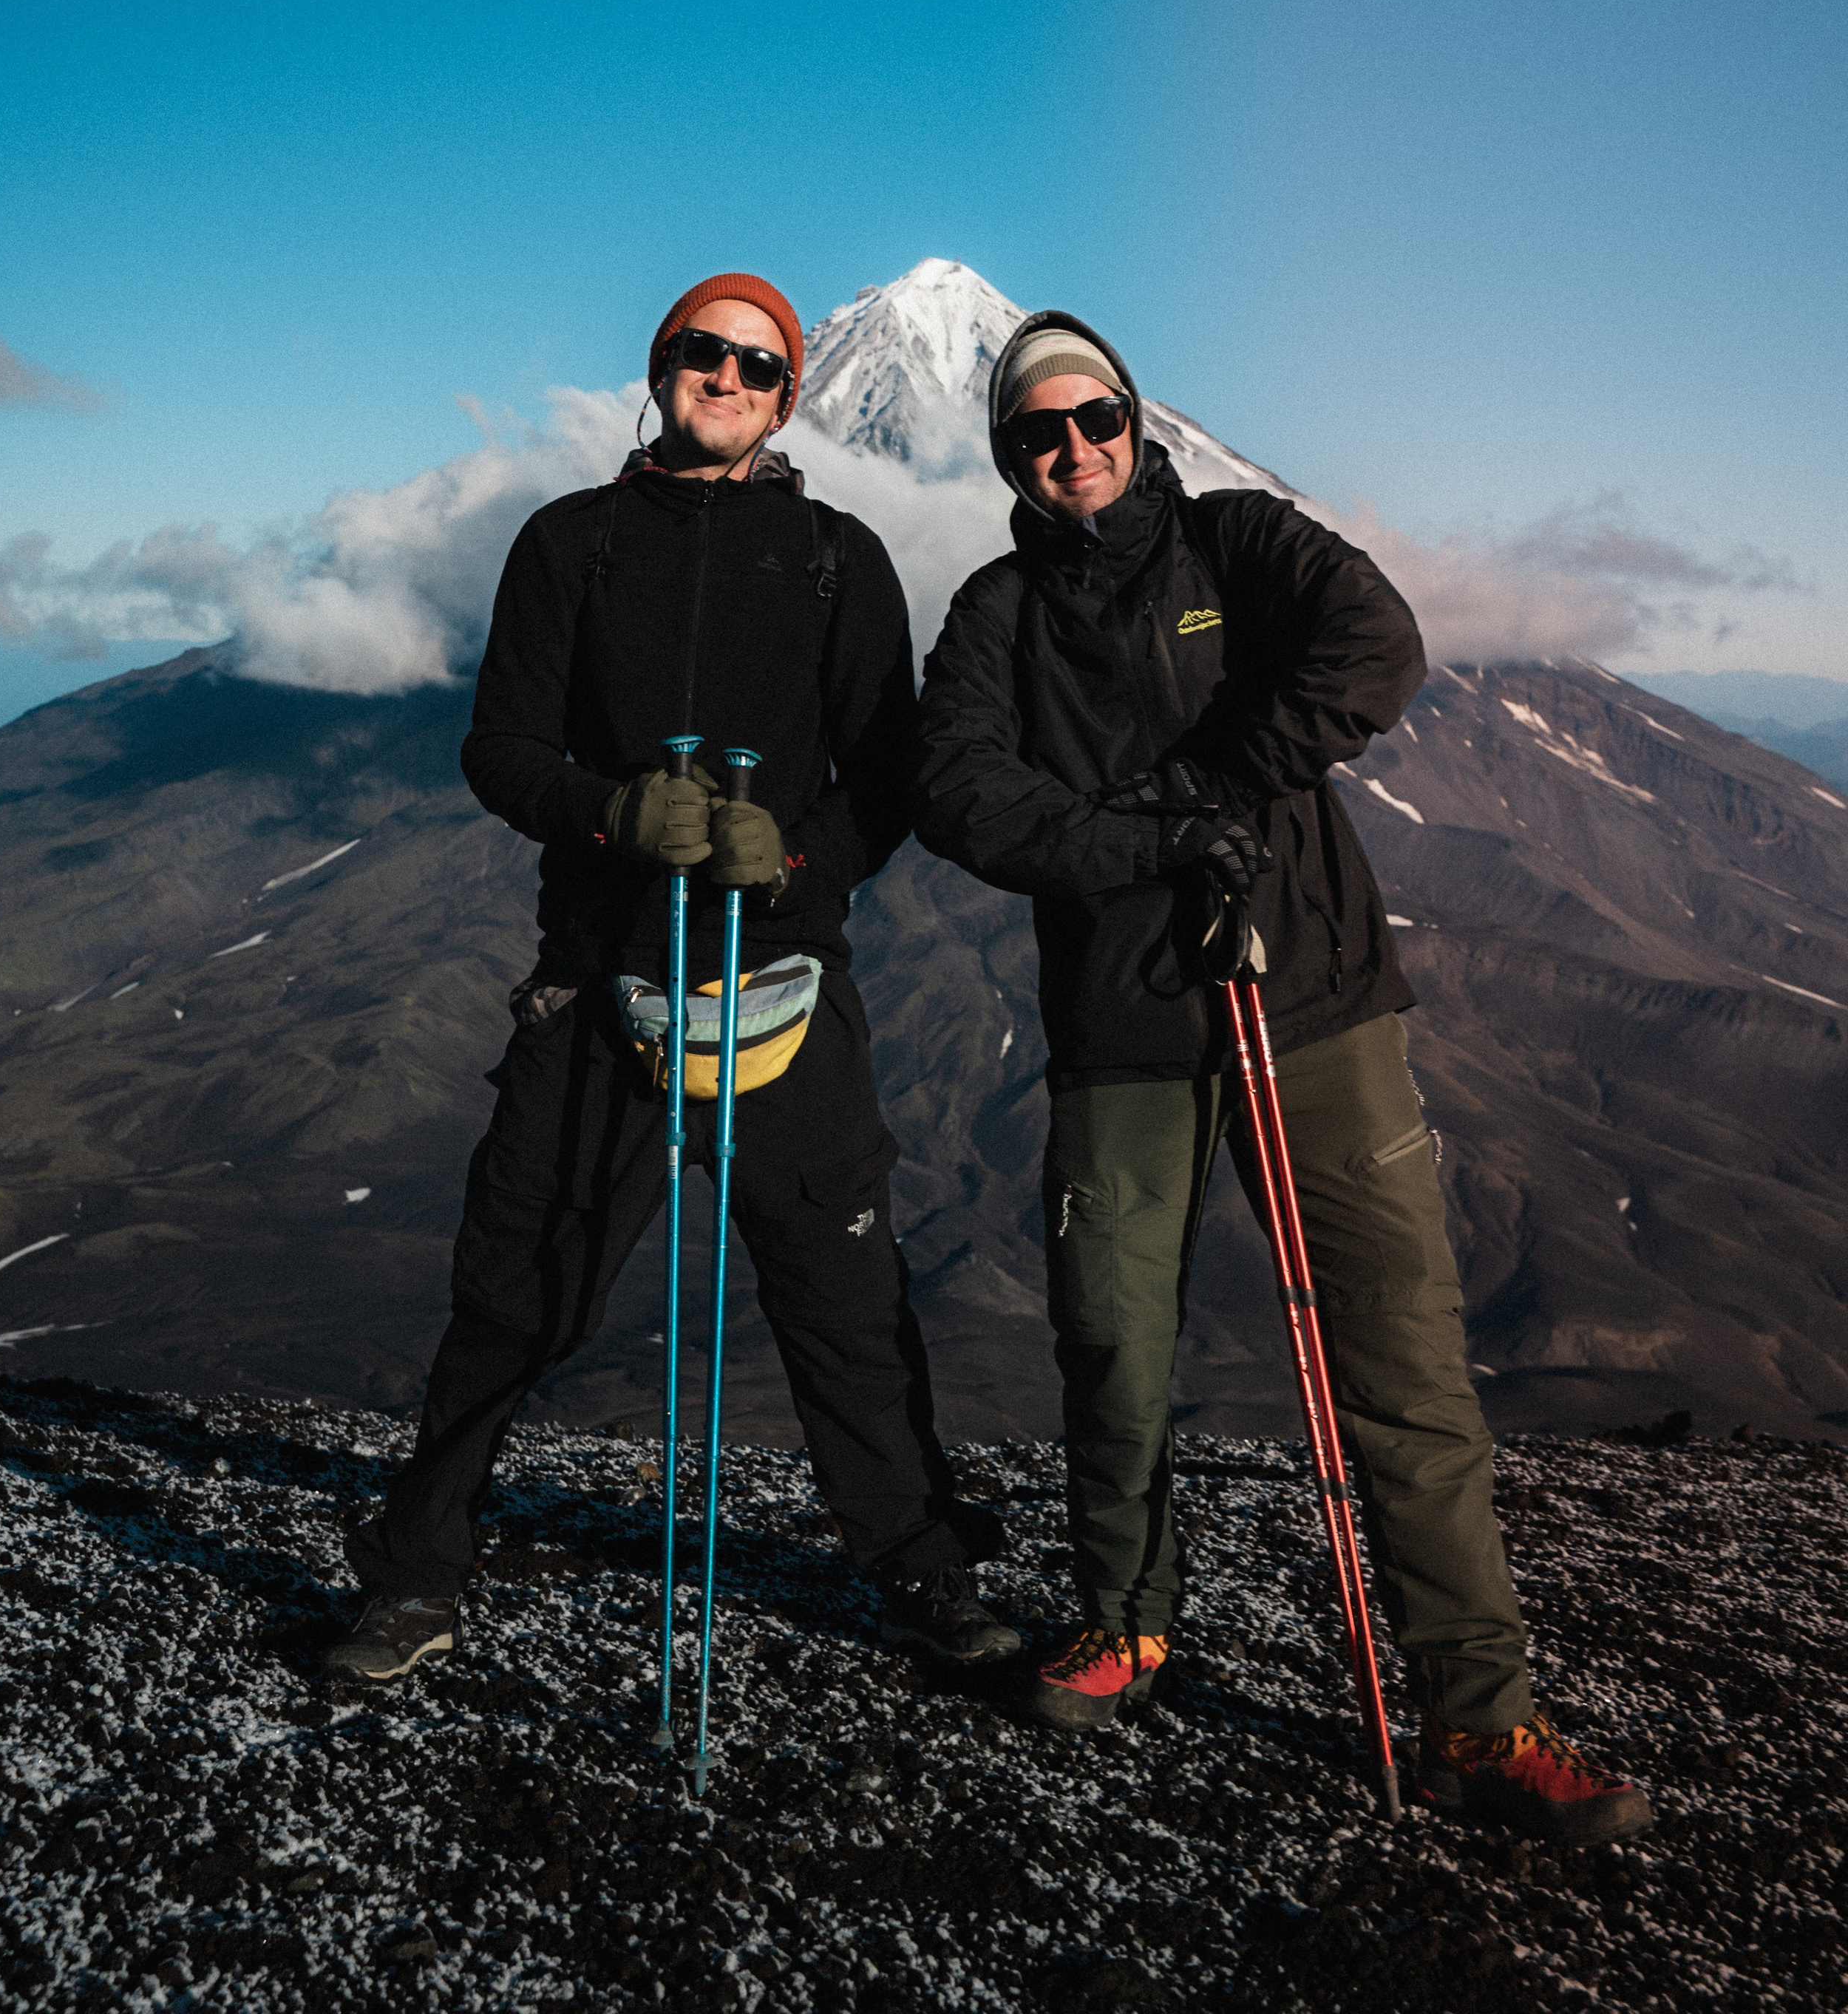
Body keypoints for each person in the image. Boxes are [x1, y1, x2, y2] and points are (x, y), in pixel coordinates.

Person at [912, 308, 1654, 1844]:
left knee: (1400, 1358)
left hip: (1308, 1004)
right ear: (1006, 456)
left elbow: (1375, 646)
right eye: (1035, 433)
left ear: (1135, 416)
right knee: (1109, 1344)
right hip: (1122, 1031)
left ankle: (1476, 1712)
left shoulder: (1238, 544)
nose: (1071, 449)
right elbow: (959, 796)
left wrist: (1218, 777)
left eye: (1093, 417)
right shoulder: (993, 616)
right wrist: (1154, 839)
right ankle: (1126, 1622)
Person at [328, 273, 1016, 1684]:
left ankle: (923, 1567)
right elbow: (499, 749)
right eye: (705, 353)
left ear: (789, 397)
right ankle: (414, 1568)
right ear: (661, 368)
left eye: (760, 367)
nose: (728, 377)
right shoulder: (567, 548)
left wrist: (800, 861)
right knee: (523, 1286)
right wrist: (610, 813)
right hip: (599, 977)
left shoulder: (842, 560)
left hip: (784, 984)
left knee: (841, 1297)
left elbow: (888, 784)